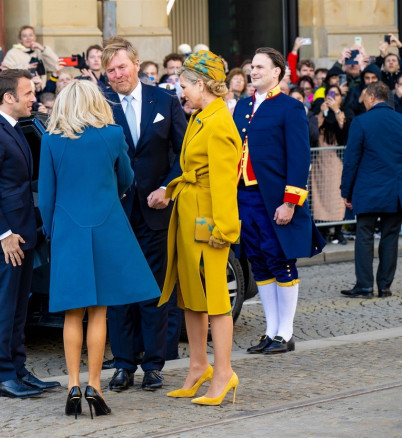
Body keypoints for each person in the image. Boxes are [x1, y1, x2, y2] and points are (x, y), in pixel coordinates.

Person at [38, 80, 161, 418]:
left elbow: (46, 195)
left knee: (72, 313)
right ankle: (95, 386)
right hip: (106, 227)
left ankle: (73, 386)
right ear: (96, 102)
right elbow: (126, 178)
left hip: (67, 231)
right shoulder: (111, 134)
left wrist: (52, 233)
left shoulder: (51, 140)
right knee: (100, 312)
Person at [102, 36, 187, 392]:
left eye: (122, 66)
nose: (118, 74)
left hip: (156, 212)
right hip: (116, 214)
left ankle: (154, 364)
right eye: (111, 71)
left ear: (136, 64)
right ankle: (123, 363)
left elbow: (184, 153)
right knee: (120, 294)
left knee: (154, 291)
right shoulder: (101, 105)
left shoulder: (165, 101)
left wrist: (168, 188)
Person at [157, 50, 241, 406]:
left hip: (208, 217)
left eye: (185, 86)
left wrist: (224, 229)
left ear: (202, 84)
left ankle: (223, 373)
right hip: (191, 210)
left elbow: (225, 183)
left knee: (216, 298)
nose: (181, 93)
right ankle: (198, 366)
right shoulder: (200, 116)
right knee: (191, 296)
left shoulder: (219, 121)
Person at [0, 69, 60, 398]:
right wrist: (4, 234)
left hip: (22, 235)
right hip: (6, 239)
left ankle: (19, 371)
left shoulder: (11, 128)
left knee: (19, 308)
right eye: (28, 93)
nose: (33, 98)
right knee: (4, 307)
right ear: (8, 98)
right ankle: (3, 378)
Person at [233, 47, 325, 355]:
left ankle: (286, 333)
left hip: (273, 198)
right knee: (259, 261)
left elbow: (299, 158)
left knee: (280, 259)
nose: (253, 71)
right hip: (244, 196)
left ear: (277, 72)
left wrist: (290, 202)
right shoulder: (242, 107)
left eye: (260, 67)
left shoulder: (289, 107)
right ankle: (270, 330)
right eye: (252, 67)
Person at [340, 82, 402, 299]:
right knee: (390, 237)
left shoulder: (361, 122)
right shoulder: (400, 121)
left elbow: (351, 160)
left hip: (367, 191)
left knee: (364, 236)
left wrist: (346, 190)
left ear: (373, 97)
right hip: (395, 192)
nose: (363, 101)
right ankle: (384, 286)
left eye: (365, 96)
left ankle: (364, 286)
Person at [311, 84, 349, 243]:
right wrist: (322, 111)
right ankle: (324, 231)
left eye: (337, 95)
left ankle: (338, 230)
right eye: (331, 95)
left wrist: (336, 110)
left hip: (337, 162)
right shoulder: (320, 113)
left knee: (337, 197)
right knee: (320, 197)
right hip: (320, 161)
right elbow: (313, 129)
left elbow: (345, 129)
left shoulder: (343, 113)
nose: (333, 98)